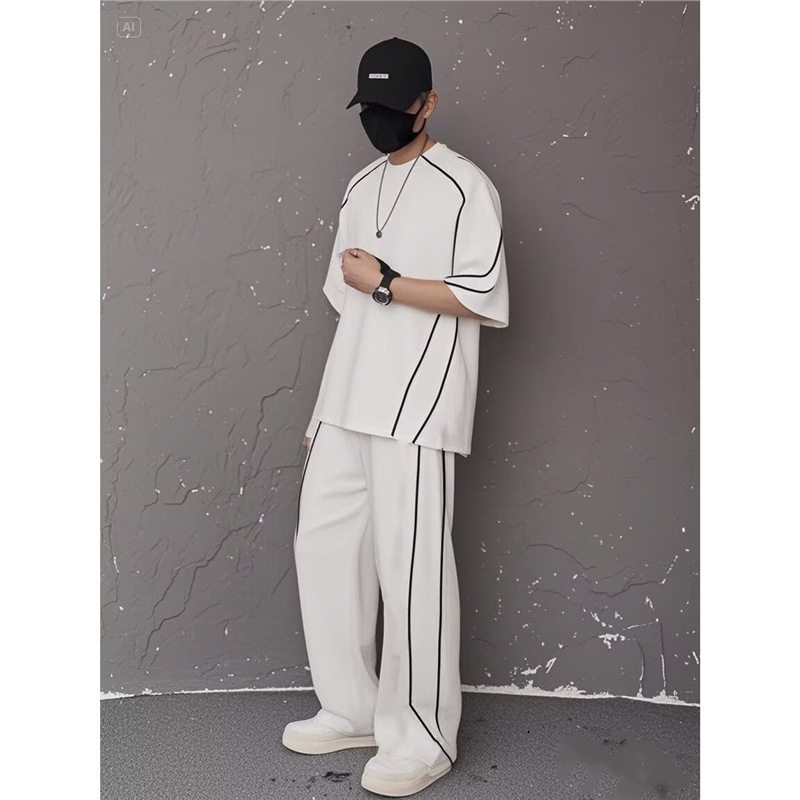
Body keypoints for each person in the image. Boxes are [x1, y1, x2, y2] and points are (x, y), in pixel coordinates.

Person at [282, 37, 510, 797]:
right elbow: (347, 310)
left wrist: (386, 281)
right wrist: (322, 407)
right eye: (368, 109)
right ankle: (350, 708)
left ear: (427, 104)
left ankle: (422, 737)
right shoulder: (359, 186)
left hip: (417, 403)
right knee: (323, 546)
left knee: (411, 567)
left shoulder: (465, 186)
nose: (378, 120)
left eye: (391, 107)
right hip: (348, 399)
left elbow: (480, 293)